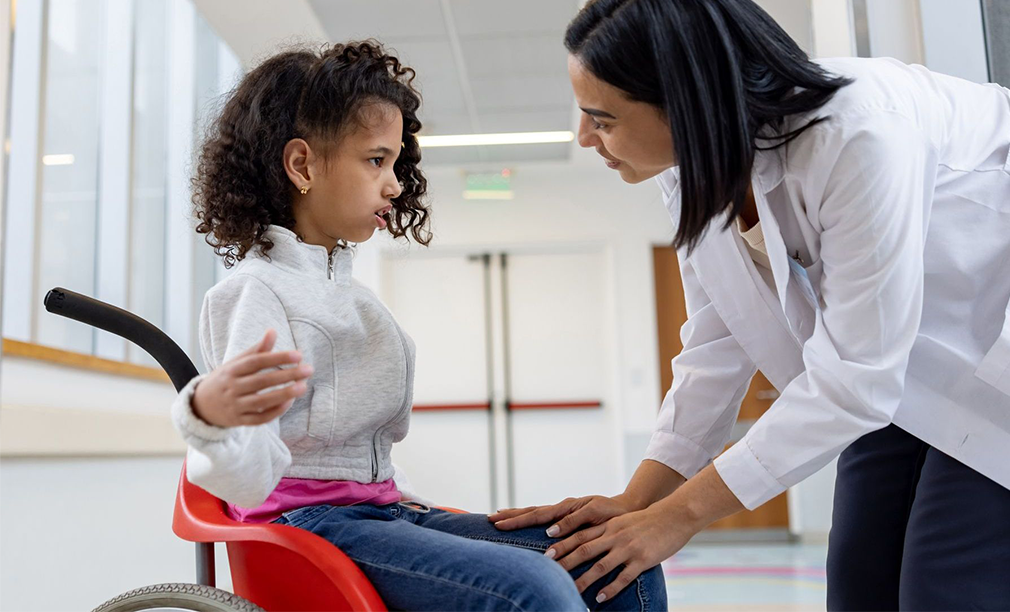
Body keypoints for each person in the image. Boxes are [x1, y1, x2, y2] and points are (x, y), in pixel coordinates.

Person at [490, 0, 1010, 611]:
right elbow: (716, 346)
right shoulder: (695, 175)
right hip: (906, 360)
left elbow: (856, 378)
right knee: (859, 582)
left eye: (603, 117)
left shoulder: (857, 133)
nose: (586, 139)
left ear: (686, 102)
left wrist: (674, 521)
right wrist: (637, 501)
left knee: (953, 586)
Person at [171, 40, 666, 612]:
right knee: (536, 588)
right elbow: (244, 480)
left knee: (619, 560)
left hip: (382, 514)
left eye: (394, 163)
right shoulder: (256, 292)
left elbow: (362, 456)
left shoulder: (352, 296)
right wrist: (211, 419)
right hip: (309, 531)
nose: (396, 184)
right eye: (375, 160)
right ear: (303, 164)